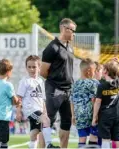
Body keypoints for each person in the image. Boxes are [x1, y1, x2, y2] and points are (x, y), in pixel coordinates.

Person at [40, 18, 77, 148]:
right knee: (47, 121)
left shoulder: (70, 48)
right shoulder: (52, 48)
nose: (74, 33)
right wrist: (56, 83)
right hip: (54, 90)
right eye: (72, 30)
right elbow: (43, 72)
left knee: (66, 122)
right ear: (64, 29)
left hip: (68, 91)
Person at [16, 55, 58, 149]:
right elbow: (19, 97)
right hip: (30, 109)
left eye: (34, 67)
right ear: (26, 67)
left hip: (39, 109)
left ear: (39, 68)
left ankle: (31, 145)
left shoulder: (40, 81)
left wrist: (45, 111)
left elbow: (42, 99)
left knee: (35, 133)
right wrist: (18, 111)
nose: (31, 69)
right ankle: (49, 144)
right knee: (46, 120)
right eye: (29, 67)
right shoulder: (25, 81)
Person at [92, 60, 119, 148]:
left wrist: (94, 116)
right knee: (118, 139)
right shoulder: (118, 83)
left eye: (103, 69)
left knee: (105, 139)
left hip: (105, 116)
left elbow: (97, 102)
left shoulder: (101, 86)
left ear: (106, 71)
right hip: (117, 115)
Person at [0, 59, 20, 148]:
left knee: (4, 142)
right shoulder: (8, 85)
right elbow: (15, 100)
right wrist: (19, 101)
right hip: (3, 117)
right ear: (8, 72)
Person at [70, 58, 99, 148]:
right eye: (95, 71)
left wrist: (73, 115)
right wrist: (96, 115)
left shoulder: (75, 84)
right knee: (94, 137)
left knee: (82, 138)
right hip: (90, 115)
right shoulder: (94, 83)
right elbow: (94, 100)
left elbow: (72, 101)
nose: (95, 73)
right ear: (89, 71)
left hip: (79, 116)